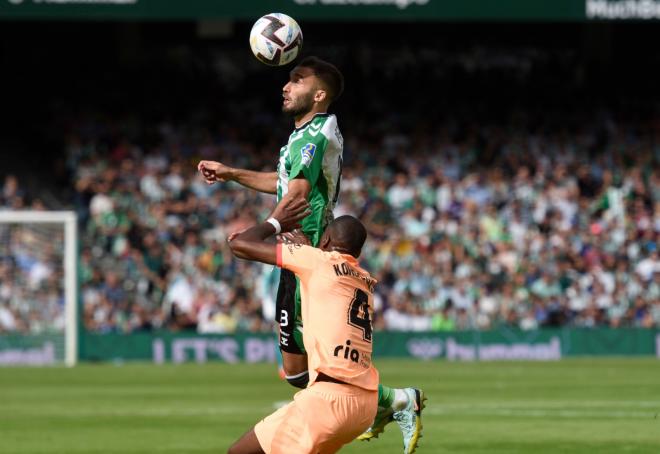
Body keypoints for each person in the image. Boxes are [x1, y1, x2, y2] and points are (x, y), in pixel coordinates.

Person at [198, 56, 424, 452]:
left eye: (297, 80)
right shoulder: (305, 136)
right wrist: (233, 173)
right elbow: (285, 182)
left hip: (308, 257)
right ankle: (382, 403)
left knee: (312, 371)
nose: (286, 86)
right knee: (294, 372)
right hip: (304, 258)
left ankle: (395, 400)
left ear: (319, 95)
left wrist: (271, 224)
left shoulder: (314, 135)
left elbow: (296, 196)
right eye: (287, 80)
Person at [226, 198, 424, 454]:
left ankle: (400, 399)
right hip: (363, 407)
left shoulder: (317, 261)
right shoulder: (364, 280)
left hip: (328, 402)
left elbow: (239, 245)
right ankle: (397, 399)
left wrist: (276, 222)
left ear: (327, 241)